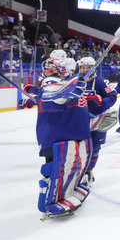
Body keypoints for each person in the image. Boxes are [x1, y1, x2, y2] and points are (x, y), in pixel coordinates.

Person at [34, 58, 91, 218]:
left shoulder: (66, 83)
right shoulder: (51, 82)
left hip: (69, 133)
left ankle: (67, 193)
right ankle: (47, 202)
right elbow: (54, 99)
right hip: (55, 135)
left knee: (70, 168)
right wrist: (70, 87)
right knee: (53, 170)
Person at [78, 57, 118, 185]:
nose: (85, 70)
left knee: (95, 148)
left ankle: (89, 171)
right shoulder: (73, 82)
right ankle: (78, 172)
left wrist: (101, 102)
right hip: (78, 120)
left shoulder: (101, 82)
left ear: (93, 68)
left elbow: (112, 96)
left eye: (88, 67)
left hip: (97, 119)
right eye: (83, 67)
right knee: (78, 147)